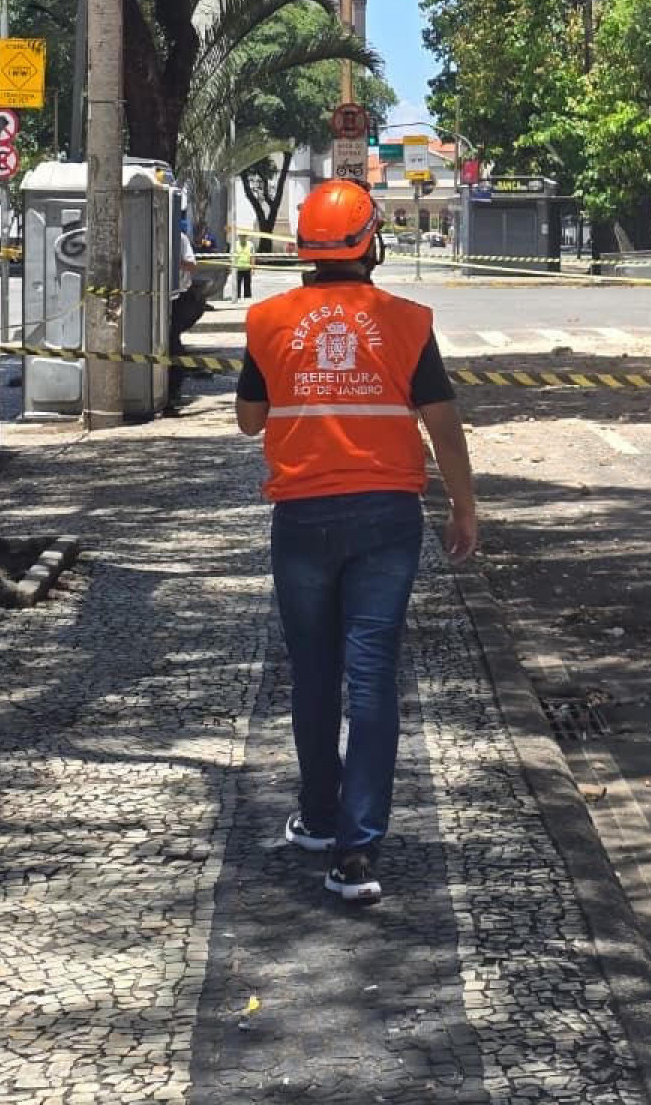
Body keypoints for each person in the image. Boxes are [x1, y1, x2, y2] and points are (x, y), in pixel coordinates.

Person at [235, 180, 478, 905]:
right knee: (371, 676)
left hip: (301, 518)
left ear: (305, 248)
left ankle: (317, 816)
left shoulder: (268, 320)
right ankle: (356, 851)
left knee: (314, 672)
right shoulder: (406, 322)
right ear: (372, 244)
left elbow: (250, 420)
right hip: (386, 518)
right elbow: (443, 425)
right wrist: (463, 507)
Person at [167, 227, 204, 413]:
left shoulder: (179, 238)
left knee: (173, 342)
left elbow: (191, 265)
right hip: (160, 297)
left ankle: (173, 390)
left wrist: (173, 262)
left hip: (179, 297)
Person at [233, 234, 255, 299]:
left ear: (247, 236)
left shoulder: (251, 245)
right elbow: (232, 257)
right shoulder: (235, 244)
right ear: (238, 236)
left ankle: (248, 299)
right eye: (241, 236)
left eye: (244, 236)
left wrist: (253, 268)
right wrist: (231, 268)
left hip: (247, 268)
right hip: (237, 269)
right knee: (237, 286)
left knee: (247, 286)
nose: (242, 237)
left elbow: (252, 257)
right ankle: (237, 298)